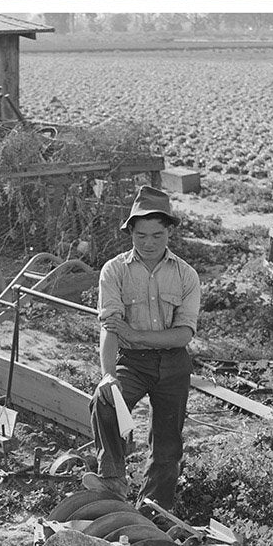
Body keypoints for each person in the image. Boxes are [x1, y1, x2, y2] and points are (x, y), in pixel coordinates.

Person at [86, 186, 201, 510]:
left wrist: (135, 335)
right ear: (130, 233)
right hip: (132, 364)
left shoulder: (186, 275)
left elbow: (182, 336)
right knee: (105, 401)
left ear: (169, 232)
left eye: (157, 235)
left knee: (167, 446)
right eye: (141, 236)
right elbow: (111, 328)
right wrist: (108, 375)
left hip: (173, 365)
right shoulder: (115, 271)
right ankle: (112, 479)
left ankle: (153, 511)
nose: (149, 243)